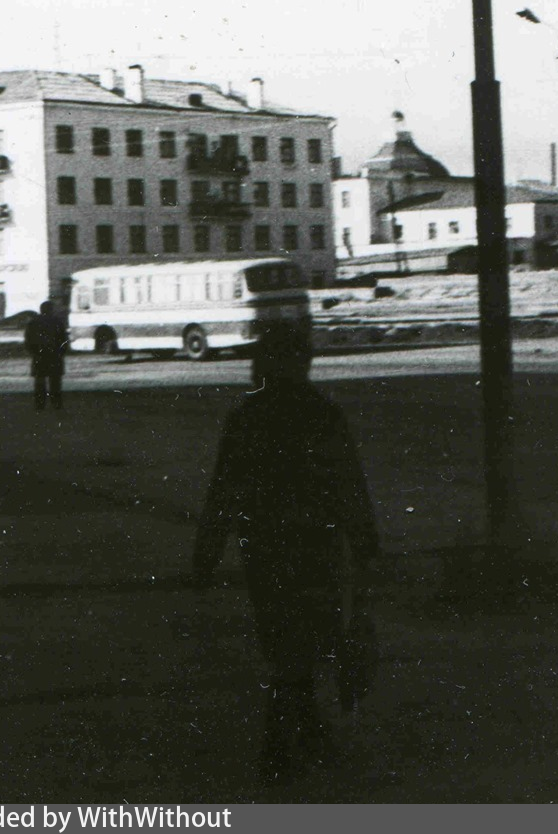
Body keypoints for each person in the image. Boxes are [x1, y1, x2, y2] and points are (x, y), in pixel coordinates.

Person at [192, 317, 381, 784]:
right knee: (305, 641)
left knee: (285, 641)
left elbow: (223, 488)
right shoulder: (322, 413)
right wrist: (365, 544)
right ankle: (279, 747)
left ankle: (305, 733)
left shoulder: (247, 415)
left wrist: (207, 551)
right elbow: (349, 484)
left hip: (263, 546)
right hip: (316, 544)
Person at [24, 300, 69, 412]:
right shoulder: (57, 322)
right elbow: (63, 339)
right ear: (51, 309)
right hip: (54, 355)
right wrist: (62, 352)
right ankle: (56, 404)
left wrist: (33, 352)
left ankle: (40, 405)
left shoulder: (33, 322)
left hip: (39, 355)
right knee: (55, 382)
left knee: (40, 381)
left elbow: (28, 339)